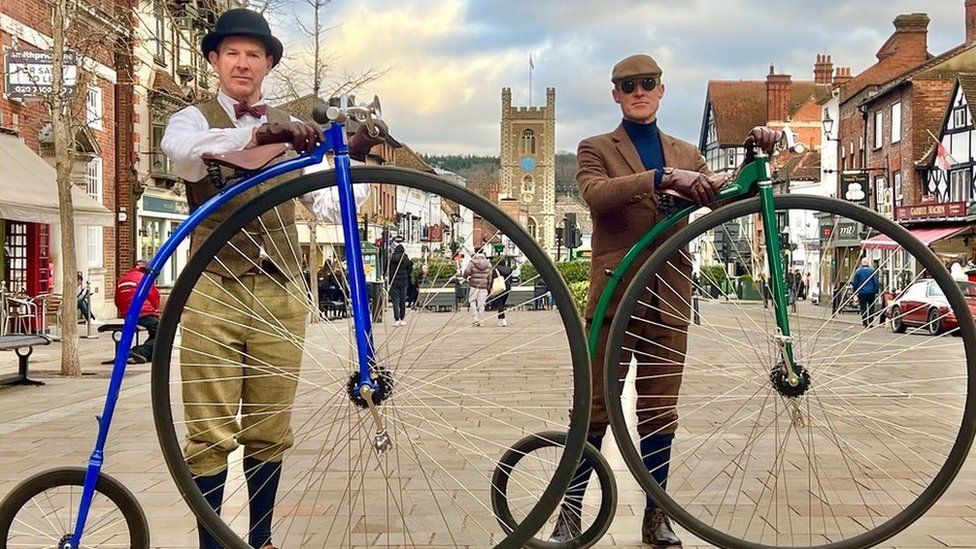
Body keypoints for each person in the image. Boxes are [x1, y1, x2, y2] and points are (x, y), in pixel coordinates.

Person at [160, 8, 383, 549]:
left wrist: (349, 163)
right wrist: (260, 134)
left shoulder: (294, 126)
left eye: (254, 54)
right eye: (232, 52)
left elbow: (336, 208)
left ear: (268, 65)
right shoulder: (192, 119)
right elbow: (185, 156)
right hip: (214, 284)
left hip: (280, 289)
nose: (242, 63)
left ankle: (260, 540)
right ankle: (213, 543)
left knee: (269, 423)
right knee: (209, 428)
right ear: (214, 60)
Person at [555, 53, 780, 546]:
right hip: (615, 294)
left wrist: (751, 157)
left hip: (669, 299)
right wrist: (661, 178)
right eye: (627, 84)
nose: (638, 91)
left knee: (660, 410)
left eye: (647, 83)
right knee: (592, 408)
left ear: (661, 90)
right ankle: (569, 513)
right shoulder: (595, 147)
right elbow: (597, 194)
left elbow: (722, 197)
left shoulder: (686, 151)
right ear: (616, 94)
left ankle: (657, 514)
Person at [114, 259, 160, 364]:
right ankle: (138, 352)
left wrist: (124, 313)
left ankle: (148, 354)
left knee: (156, 331)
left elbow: (117, 301)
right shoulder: (145, 279)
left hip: (129, 315)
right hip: (144, 313)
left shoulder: (123, 280)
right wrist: (155, 311)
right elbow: (154, 297)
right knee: (162, 331)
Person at [463, 252, 492, 326]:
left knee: (472, 301)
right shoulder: (488, 264)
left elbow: (466, 271)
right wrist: (488, 287)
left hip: (474, 285)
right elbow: (490, 277)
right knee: (481, 304)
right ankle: (481, 319)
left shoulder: (472, 262)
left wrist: (465, 277)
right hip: (484, 286)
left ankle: (475, 318)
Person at [386, 244, 412, 326]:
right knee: (402, 300)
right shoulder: (405, 258)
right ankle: (402, 318)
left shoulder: (391, 259)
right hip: (403, 282)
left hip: (394, 282)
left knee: (395, 301)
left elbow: (386, 269)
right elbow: (410, 268)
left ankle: (396, 319)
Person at [852, 257, 880, 327]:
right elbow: (876, 282)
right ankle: (870, 322)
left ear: (861, 263)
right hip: (871, 292)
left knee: (863, 307)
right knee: (871, 307)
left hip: (862, 292)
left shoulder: (858, 271)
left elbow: (855, 283)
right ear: (868, 263)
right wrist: (876, 290)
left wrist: (855, 292)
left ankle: (865, 322)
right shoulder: (872, 271)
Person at [487, 257, 513, 327]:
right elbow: (511, 280)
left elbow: (492, 279)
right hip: (507, 287)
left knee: (500, 304)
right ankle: (499, 319)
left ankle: (503, 320)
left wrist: (489, 289)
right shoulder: (509, 269)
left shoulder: (495, 269)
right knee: (502, 303)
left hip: (498, 287)